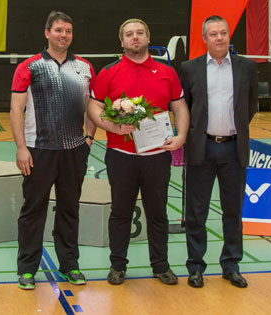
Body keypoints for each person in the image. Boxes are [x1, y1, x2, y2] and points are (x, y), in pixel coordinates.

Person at [87, 18, 189, 285]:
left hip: (157, 156)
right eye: (129, 34)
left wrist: (181, 136)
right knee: (120, 212)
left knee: (158, 213)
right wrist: (112, 127)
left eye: (140, 33)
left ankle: (160, 266)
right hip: (121, 157)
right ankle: (117, 266)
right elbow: (93, 107)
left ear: (147, 37)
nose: (135, 37)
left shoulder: (167, 72)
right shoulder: (109, 72)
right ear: (122, 41)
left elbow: (179, 106)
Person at [10, 11, 96, 290]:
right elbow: (16, 109)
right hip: (39, 150)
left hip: (74, 150)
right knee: (33, 209)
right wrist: (21, 148)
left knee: (70, 209)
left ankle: (70, 265)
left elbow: (92, 107)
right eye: (59, 30)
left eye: (68, 31)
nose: (64, 35)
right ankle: (27, 269)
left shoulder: (85, 67)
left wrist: (89, 139)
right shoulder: (29, 67)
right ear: (47, 33)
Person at [179, 15, 257, 289]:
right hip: (201, 149)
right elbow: (184, 108)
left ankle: (231, 264)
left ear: (228, 35)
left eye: (223, 32)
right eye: (213, 34)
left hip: (234, 149)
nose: (219, 38)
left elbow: (251, 105)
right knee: (196, 212)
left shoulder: (246, 67)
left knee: (233, 212)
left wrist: (233, 131)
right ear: (205, 38)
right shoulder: (189, 68)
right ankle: (196, 267)